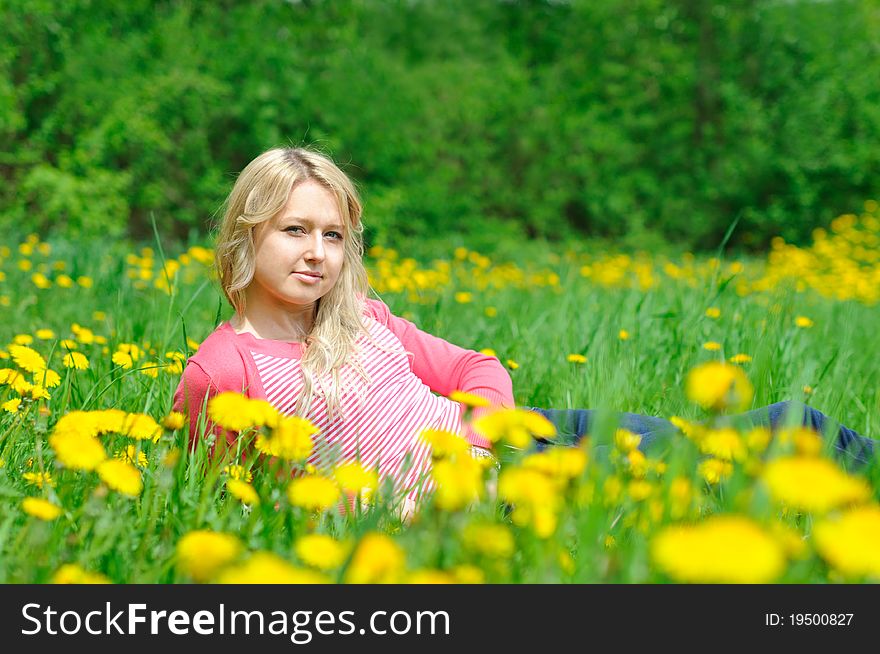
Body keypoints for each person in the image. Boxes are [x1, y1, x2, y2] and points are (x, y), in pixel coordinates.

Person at [173, 146, 875, 508]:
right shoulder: (225, 372)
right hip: (494, 501)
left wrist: (480, 437)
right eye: (296, 230)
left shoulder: (361, 318)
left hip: (527, 436)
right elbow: (228, 498)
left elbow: (478, 368)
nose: (318, 252)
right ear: (246, 233)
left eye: (333, 234)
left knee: (761, 436)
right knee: (775, 437)